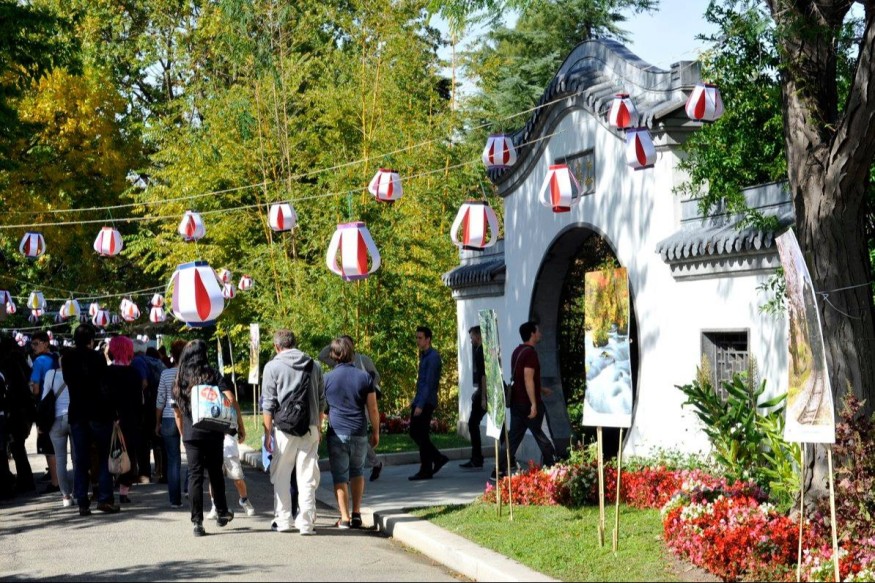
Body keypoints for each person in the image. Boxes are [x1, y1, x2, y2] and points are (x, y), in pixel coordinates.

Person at [262, 329, 325, 535]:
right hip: (310, 428)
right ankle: (306, 523)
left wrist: (268, 434)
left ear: (277, 346)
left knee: (281, 475)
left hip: (284, 430)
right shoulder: (314, 365)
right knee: (307, 476)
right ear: (294, 343)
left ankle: (283, 521)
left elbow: (268, 403)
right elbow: (322, 399)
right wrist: (318, 426)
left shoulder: (272, 367)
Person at [172, 339, 234, 537]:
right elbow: (230, 399)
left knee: (195, 475)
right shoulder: (212, 374)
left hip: (191, 433)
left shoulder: (180, 377)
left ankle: (197, 522)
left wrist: (183, 433)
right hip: (213, 430)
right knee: (215, 472)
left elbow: (177, 411)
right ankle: (222, 512)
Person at [324, 337, 379, 528]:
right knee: (357, 472)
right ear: (351, 354)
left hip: (337, 432)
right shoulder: (365, 377)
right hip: (359, 431)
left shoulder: (327, 378)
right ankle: (356, 514)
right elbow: (373, 409)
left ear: (333, 355)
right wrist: (376, 431)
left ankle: (344, 518)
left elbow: (322, 407)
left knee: (340, 476)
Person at [61, 324, 115, 515]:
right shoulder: (98, 357)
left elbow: (68, 381)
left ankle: (82, 501)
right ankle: (104, 498)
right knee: (103, 456)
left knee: (81, 459)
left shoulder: (67, 358)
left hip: (77, 412)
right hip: (99, 412)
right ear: (91, 340)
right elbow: (104, 385)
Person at [494, 322, 556, 480]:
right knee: (542, 435)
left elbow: (522, 379)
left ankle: (498, 470)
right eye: (538, 331)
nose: (540, 333)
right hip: (528, 404)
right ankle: (553, 467)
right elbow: (528, 379)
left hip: (517, 403)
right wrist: (534, 404)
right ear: (532, 334)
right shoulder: (530, 354)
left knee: (513, 439)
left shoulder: (517, 351)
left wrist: (541, 389)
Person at [318, 335, 384, 481]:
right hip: (342, 402)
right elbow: (321, 355)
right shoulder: (337, 360)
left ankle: (372, 464)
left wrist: (365, 387)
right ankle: (374, 463)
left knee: (357, 437)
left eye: (347, 343)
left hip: (361, 401)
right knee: (356, 440)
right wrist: (335, 344)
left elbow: (376, 376)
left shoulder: (362, 359)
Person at [105, 336, 143, 504]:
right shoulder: (134, 373)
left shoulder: (106, 373)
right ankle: (124, 491)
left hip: (109, 419)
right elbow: (138, 401)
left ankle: (106, 489)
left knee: (109, 452)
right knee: (128, 453)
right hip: (130, 419)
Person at [408, 326, 448, 481]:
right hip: (420, 399)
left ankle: (427, 468)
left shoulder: (433, 357)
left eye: (420, 338)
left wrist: (420, 404)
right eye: (417, 337)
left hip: (426, 401)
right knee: (417, 433)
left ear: (428, 339)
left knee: (420, 434)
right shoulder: (424, 355)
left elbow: (429, 383)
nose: (417, 341)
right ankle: (437, 458)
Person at [0, 335, 35, 495]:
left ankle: (15, 481)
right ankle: (25, 479)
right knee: (18, 447)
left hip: (12, 411)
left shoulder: (7, 364)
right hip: (24, 410)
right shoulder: (21, 361)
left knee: (10, 447)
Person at [155, 339, 187, 508]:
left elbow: (160, 400)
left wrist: (157, 422)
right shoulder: (190, 373)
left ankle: (175, 499)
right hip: (187, 417)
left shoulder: (165, 374)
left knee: (173, 459)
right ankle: (188, 487)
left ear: (172, 355)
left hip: (168, 418)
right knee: (193, 456)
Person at [131, 340, 166, 484]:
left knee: (143, 440)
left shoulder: (137, 361)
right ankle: (163, 472)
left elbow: (144, 382)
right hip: (160, 404)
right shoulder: (156, 361)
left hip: (147, 406)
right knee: (159, 439)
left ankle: (144, 474)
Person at [29, 331, 59, 494]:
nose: (33, 347)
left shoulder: (39, 361)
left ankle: (55, 482)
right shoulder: (56, 358)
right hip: (61, 404)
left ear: (46, 343)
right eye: (32, 344)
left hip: (45, 408)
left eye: (36, 343)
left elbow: (35, 389)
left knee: (48, 446)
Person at [42, 349, 73, 507]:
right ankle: (79, 493)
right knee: (77, 459)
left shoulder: (51, 374)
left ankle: (66, 496)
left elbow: (44, 398)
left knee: (60, 460)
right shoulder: (76, 374)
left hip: (56, 420)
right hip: (74, 419)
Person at [460, 326, 487, 469]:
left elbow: (484, 375)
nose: (471, 341)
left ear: (478, 336)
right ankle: (509, 456)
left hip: (486, 393)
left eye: (472, 338)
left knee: (472, 423)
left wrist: (483, 397)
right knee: (500, 427)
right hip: (488, 391)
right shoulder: (487, 349)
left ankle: (477, 458)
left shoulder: (480, 351)